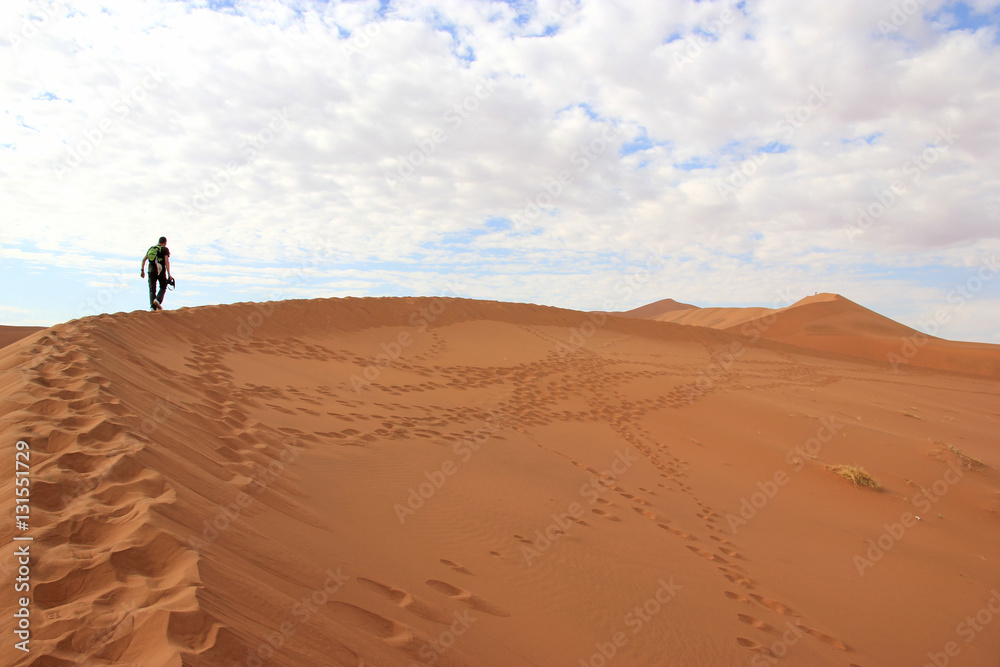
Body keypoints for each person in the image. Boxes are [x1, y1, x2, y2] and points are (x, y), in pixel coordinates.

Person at [140, 237, 172, 311]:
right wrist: (169, 274)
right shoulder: (164, 249)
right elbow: (166, 261)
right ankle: (157, 300)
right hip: (160, 270)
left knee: (152, 289)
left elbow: (144, 259)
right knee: (163, 286)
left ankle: (152, 308)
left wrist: (142, 271)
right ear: (165, 242)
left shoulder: (152, 248)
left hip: (151, 269)